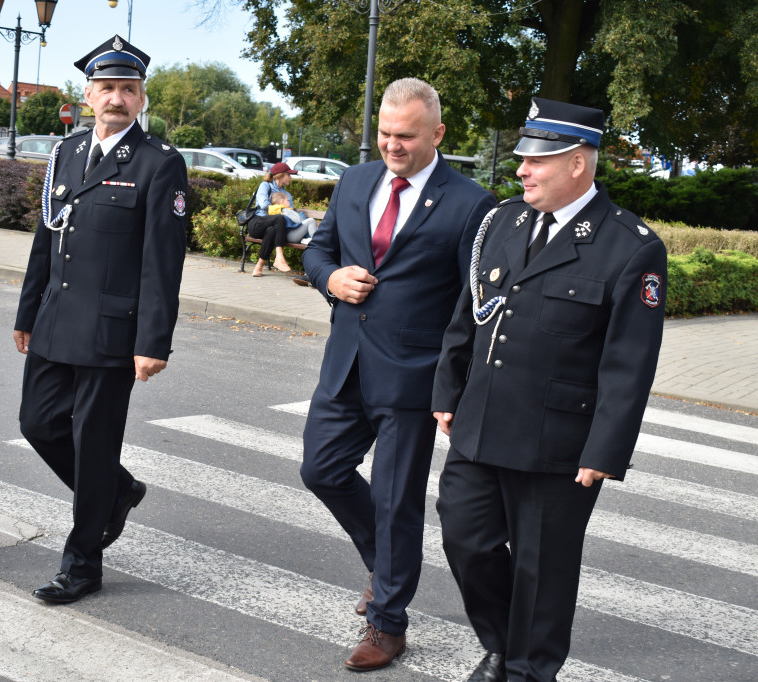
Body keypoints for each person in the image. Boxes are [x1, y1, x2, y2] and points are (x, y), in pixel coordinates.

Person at [431, 97, 667, 682]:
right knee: (466, 539)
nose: (522, 171)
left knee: (543, 569)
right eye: (523, 159)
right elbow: (470, 312)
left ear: (579, 164)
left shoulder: (629, 246)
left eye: (538, 160)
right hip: (480, 422)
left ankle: (528, 670)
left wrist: (604, 452)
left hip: (556, 443)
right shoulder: (505, 221)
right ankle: (501, 641)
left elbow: (629, 364)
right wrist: (446, 388)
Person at [299, 78, 495, 671]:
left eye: (405, 136)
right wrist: (329, 279)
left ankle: (388, 623)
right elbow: (318, 250)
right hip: (346, 364)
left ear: (437, 134)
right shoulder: (355, 181)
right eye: (384, 133)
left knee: (395, 501)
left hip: (414, 376)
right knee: (321, 469)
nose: (391, 145)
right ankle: (382, 564)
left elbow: (474, 305)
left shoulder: (470, 204)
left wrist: (456, 386)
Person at [13, 35, 187, 605]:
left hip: (113, 331)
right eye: (106, 88)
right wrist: (26, 312)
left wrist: (152, 341)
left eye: (127, 90)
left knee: (92, 444)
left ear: (141, 99)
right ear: (88, 94)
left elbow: (163, 263)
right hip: (55, 319)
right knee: (38, 424)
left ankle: (82, 564)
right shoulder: (64, 151)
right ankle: (118, 490)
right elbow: (46, 238)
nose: (116, 98)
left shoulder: (159, 163)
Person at [247, 162, 297, 276]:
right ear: (281, 175)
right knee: (279, 217)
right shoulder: (265, 186)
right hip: (257, 222)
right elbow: (263, 204)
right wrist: (279, 208)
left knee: (272, 231)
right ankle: (279, 257)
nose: (290, 177)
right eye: (289, 175)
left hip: (271, 226)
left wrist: (273, 206)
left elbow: (289, 212)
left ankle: (258, 268)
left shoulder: (287, 194)